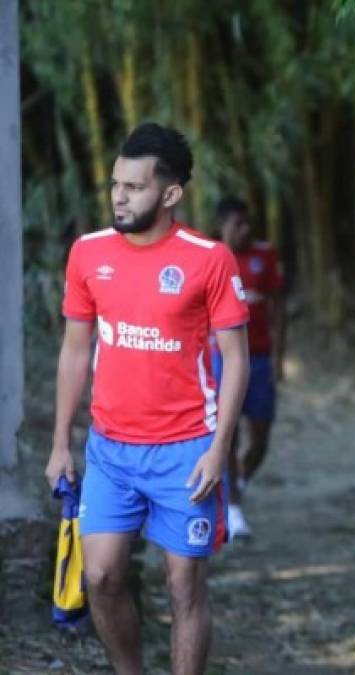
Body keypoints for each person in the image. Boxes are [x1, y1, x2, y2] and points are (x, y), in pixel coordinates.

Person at [44, 123, 250, 675]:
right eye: (115, 184)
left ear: (170, 193)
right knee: (101, 576)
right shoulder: (88, 253)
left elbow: (236, 359)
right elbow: (74, 351)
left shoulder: (209, 259)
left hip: (187, 451)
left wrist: (219, 450)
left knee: (184, 585)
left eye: (134, 187)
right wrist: (62, 442)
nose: (118, 196)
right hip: (111, 449)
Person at [211, 196, 285, 539]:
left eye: (247, 223)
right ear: (222, 226)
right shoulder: (210, 257)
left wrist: (277, 360)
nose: (244, 230)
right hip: (222, 359)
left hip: (258, 358)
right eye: (237, 224)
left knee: (261, 435)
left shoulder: (264, 256)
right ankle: (234, 506)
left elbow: (279, 309)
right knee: (228, 432)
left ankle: (236, 479)